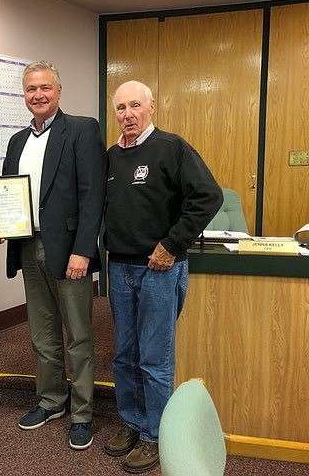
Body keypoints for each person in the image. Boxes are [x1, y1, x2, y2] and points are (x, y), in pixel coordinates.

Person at [102, 80, 223, 473]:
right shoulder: (112, 157)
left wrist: (171, 244)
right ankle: (133, 424)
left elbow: (208, 195)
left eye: (135, 105)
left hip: (160, 269)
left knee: (154, 359)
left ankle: (156, 434)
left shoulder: (172, 148)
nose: (128, 115)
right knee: (124, 355)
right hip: (119, 268)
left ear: (152, 106)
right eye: (121, 108)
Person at [0, 60, 106, 450]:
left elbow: (93, 197)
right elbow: (5, 195)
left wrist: (83, 251)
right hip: (27, 246)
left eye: (44, 88)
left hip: (70, 252)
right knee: (42, 334)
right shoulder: (16, 141)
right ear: (24, 95)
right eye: (30, 89)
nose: (37, 95)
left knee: (79, 335)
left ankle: (82, 411)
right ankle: (51, 400)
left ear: (58, 90)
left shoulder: (82, 130)